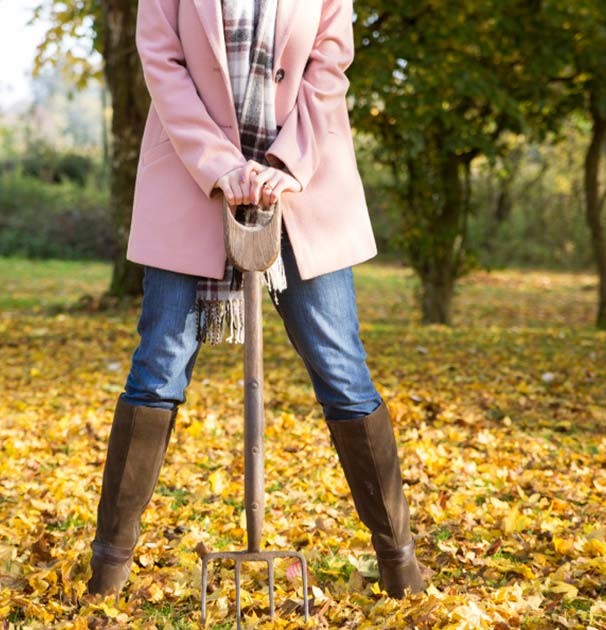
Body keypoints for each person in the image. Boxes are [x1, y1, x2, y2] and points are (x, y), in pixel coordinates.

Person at [85, 0, 427, 602]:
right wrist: (221, 166)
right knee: (157, 369)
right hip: (190, 186)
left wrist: (284, 164)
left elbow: (330, 65)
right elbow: (162, 64)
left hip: (302, 187)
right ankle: (108, 570)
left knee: (343, 371)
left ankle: (399, 563)